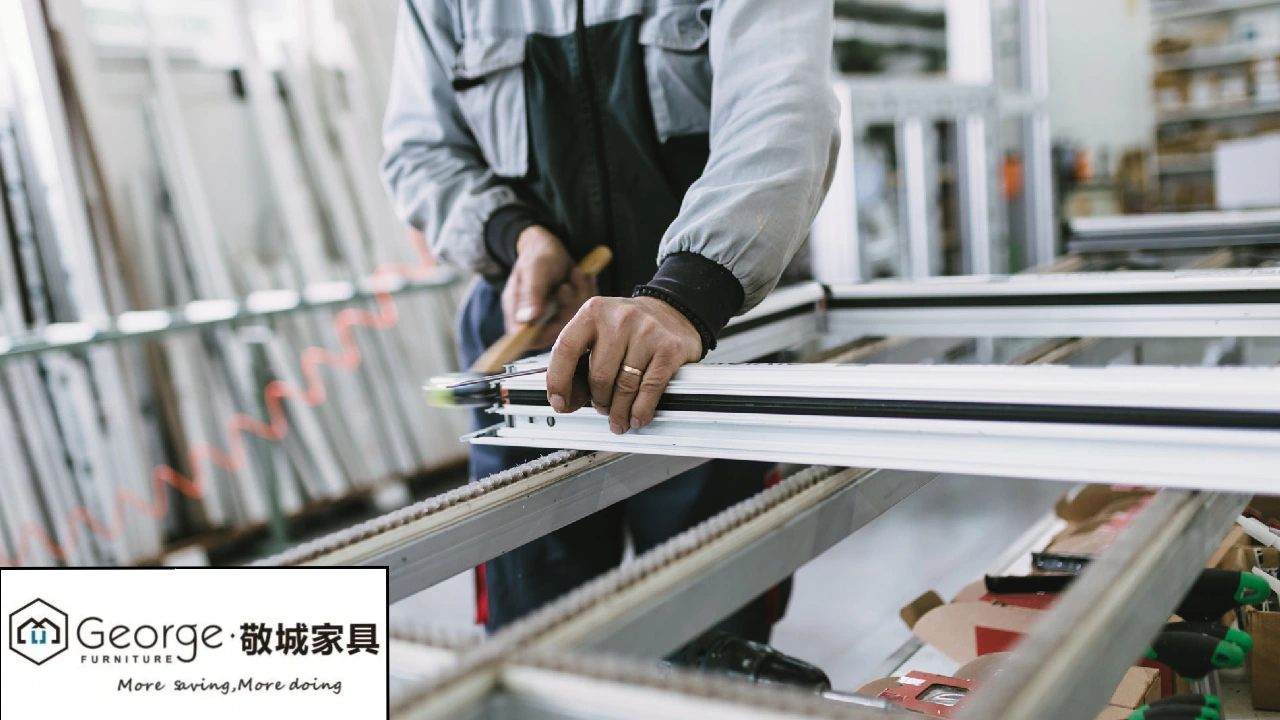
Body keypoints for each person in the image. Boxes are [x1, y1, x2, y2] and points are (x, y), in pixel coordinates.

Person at [382, 0, 840, 639]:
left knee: (708, 644)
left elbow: (782, 106)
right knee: (532, 643)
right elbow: (421, 151)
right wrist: (516, 237)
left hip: (706, 344)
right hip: (533, 360)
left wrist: (685, 292)